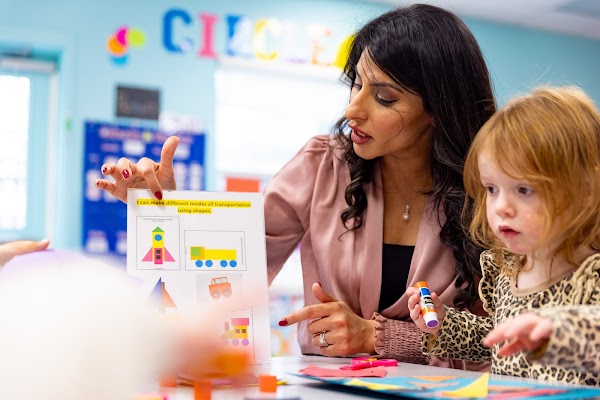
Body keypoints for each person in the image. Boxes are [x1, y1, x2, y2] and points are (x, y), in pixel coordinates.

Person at [96, 4, 496, 367]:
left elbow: (504, 341)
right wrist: (164, 210)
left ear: (439, 110)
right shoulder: (323, 165)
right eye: (356, 84)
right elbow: (227, 269)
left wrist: (376, 336)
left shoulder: (492, 193)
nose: (353, 109)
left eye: (384, 98)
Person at [407, 86, 600, 386]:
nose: (501, 207)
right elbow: (500, 343)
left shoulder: (591, 275)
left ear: (586, 191)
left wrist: (559, 330)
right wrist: (444, 325)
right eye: (492, 189)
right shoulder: (509, 270)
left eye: (523, 189)